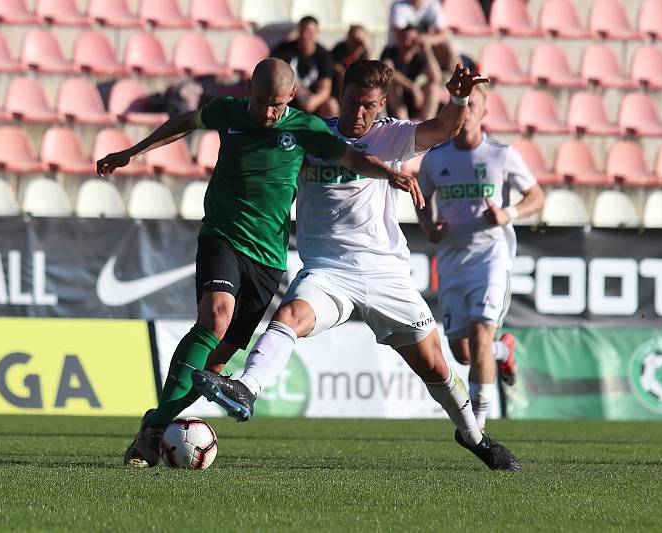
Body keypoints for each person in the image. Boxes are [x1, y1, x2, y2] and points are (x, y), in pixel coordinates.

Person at [192, 60, 520, 471]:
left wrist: (457, 97)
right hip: (328, 270)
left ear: (382, 104)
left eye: (368, 106)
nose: (358, 113)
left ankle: (473, 435)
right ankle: (246, 388)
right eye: (352, 102)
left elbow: (445, 128)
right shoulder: (312, 134)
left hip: (386, 272)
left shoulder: (393, 136)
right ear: (341, 96)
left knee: (436, 366)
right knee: (290, 314)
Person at [97, 58, 424, 469]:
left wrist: (389, 175)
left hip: (268, 258)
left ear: (290, 97)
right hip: (223, 236)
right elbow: (184, 122)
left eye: (275, 104)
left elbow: (351, 158)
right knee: (215, 317)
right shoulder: (229, 112)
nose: (267, 113)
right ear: (249, 90)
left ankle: (156, 423)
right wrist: (133, 152)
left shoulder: (306, 128)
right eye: (260, 102)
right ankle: (151, 436)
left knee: (216, 362)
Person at [416, 85, 545, 431]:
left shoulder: (501, 155)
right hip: (453, 258)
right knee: (464, 353)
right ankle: (506, 352)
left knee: (480, 336)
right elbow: (422, 199)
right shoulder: (436, 158)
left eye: (475, 104)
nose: (468, 109)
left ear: (484, 113)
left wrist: (509, 213)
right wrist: (430, 228)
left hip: (492, 256)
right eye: (463, 104)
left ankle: (479, 425)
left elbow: (536, 196)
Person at [271, 16, 340, 118]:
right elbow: (274, 74)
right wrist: (297, 90)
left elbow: (325, 87)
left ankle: (326, 132)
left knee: (331, 104)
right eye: (302, 31)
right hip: (288, 99)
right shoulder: (284, 51)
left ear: (316, 33)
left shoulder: (324, 55)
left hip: (314, 103)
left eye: (309, 32)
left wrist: (314, 101)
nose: (305, 35)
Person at [381, 25, 441, 120]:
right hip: (396, 101)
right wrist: (412, 87)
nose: (408, 43)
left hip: (415, 100)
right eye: (405, 38)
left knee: (433, 88)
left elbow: (436, 78)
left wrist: (427, 50)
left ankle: (425, 124)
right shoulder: (390, 52)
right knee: (393, 86)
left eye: (412, 40)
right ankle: (403, 124)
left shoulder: (419, 57)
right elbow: (387, 71)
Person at [388, 0, 458, 73]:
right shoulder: (399, 6)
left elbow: (443, 34)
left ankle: (458, 78)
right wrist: (420, 40)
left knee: (447, 47)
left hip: (421, 50)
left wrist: (425, 40)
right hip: (400, 52)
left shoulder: (433, 4)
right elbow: (401, 37)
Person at [331, 24, 371, 98]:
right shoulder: (339, 49)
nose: (356, 43)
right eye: (353, 39)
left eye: (359, 41)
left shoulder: (365, 54)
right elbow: (333, 65)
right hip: (339, 91)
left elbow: (373, 70)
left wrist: (367, 48)